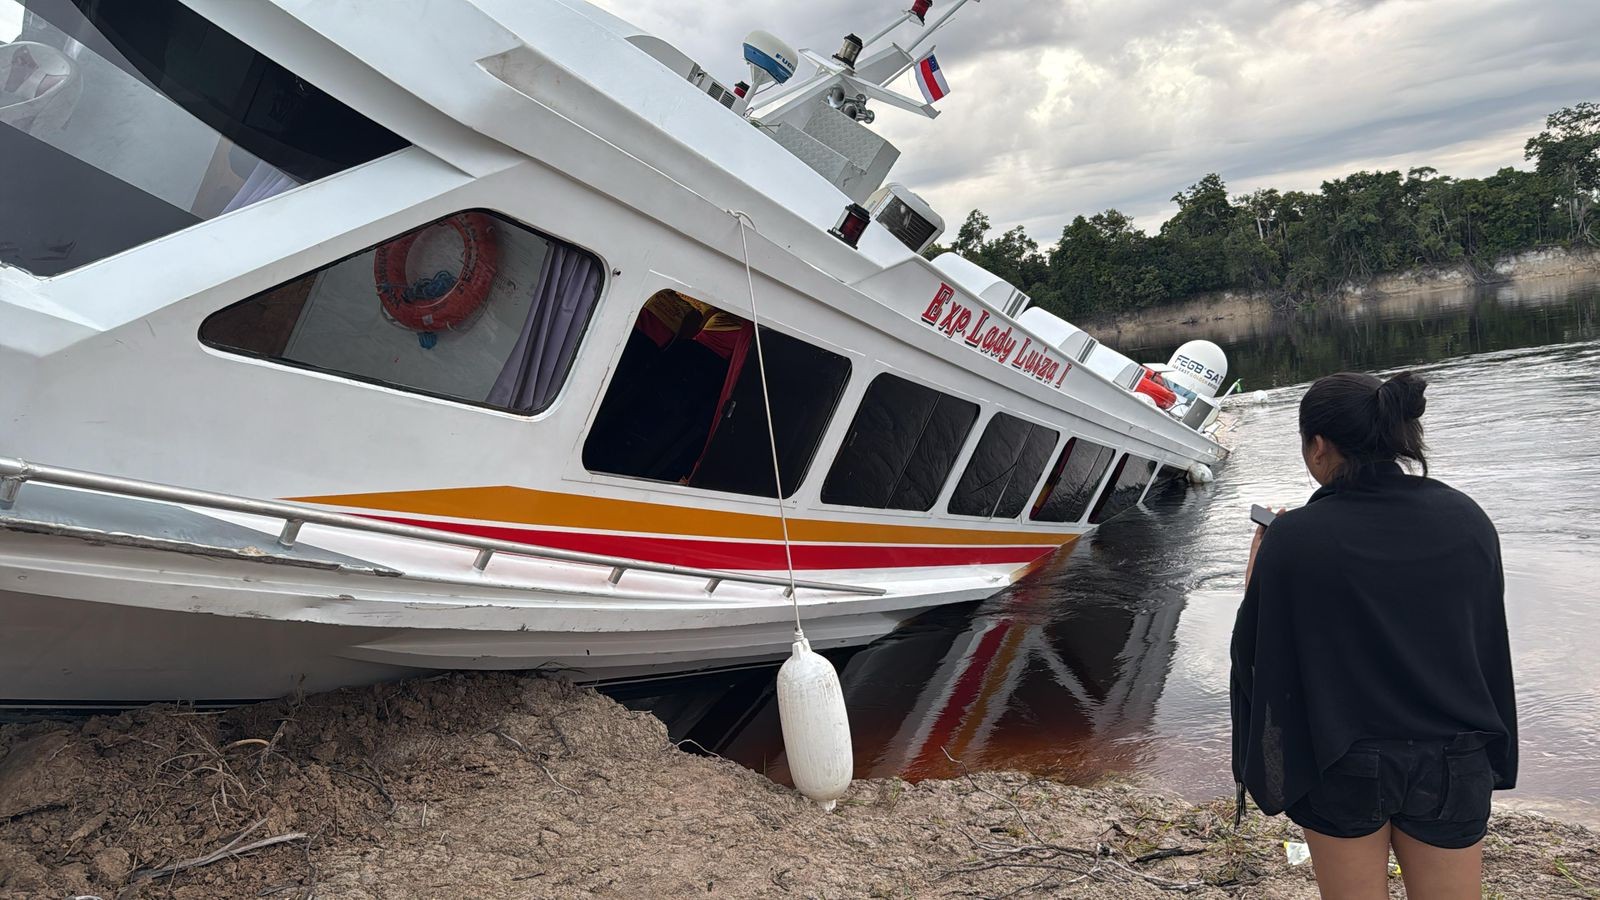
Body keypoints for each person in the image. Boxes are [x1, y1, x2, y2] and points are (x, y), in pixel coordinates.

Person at [1231, 371, 1516, 899]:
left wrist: (1260, 571)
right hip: (1455, 757)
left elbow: (1258, 652)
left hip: (1342, 759)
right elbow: (1482, 641)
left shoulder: (1293, 538)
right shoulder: (1467, 518)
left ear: (1318, 446)